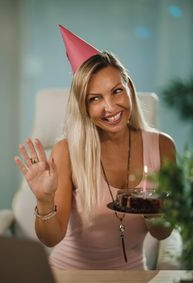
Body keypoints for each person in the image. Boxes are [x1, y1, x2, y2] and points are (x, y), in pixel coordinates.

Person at [14, 25, 176, 269]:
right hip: (71, 278)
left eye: (116, 91)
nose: (110, 107)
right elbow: (51, 238)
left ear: (129, 89)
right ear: (84, 107)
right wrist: (45, 199)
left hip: (133, 279)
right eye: (95, 98)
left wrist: (155, 208)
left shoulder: (163, 146)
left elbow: (161, 233)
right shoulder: (67, 152)